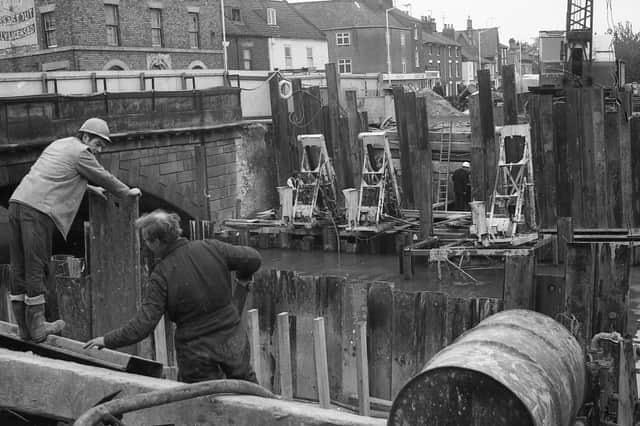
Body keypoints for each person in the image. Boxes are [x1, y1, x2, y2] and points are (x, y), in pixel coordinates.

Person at [84, 210, 262, 384]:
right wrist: (242, 279)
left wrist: (107, 340)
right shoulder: (211, 247)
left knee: (203, 401)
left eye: (146, 240)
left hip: (196, 352)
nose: (146, 245)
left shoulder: (161, 275)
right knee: (249, 388)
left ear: (157, 242)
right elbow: (254, 259)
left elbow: (143, 326)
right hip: (231, 337)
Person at [9, 118, 141, 343]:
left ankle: (24, 328)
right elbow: (103, 175)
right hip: (38, 211)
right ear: (86, 136)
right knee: (36, 266)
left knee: (19, 265)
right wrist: (126, 192)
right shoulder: (82, 153)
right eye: (98, 144)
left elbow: (57, 174)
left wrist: (88, 188)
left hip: (17, 203)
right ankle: (38, 327)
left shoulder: (59, 145)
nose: (98, 150)